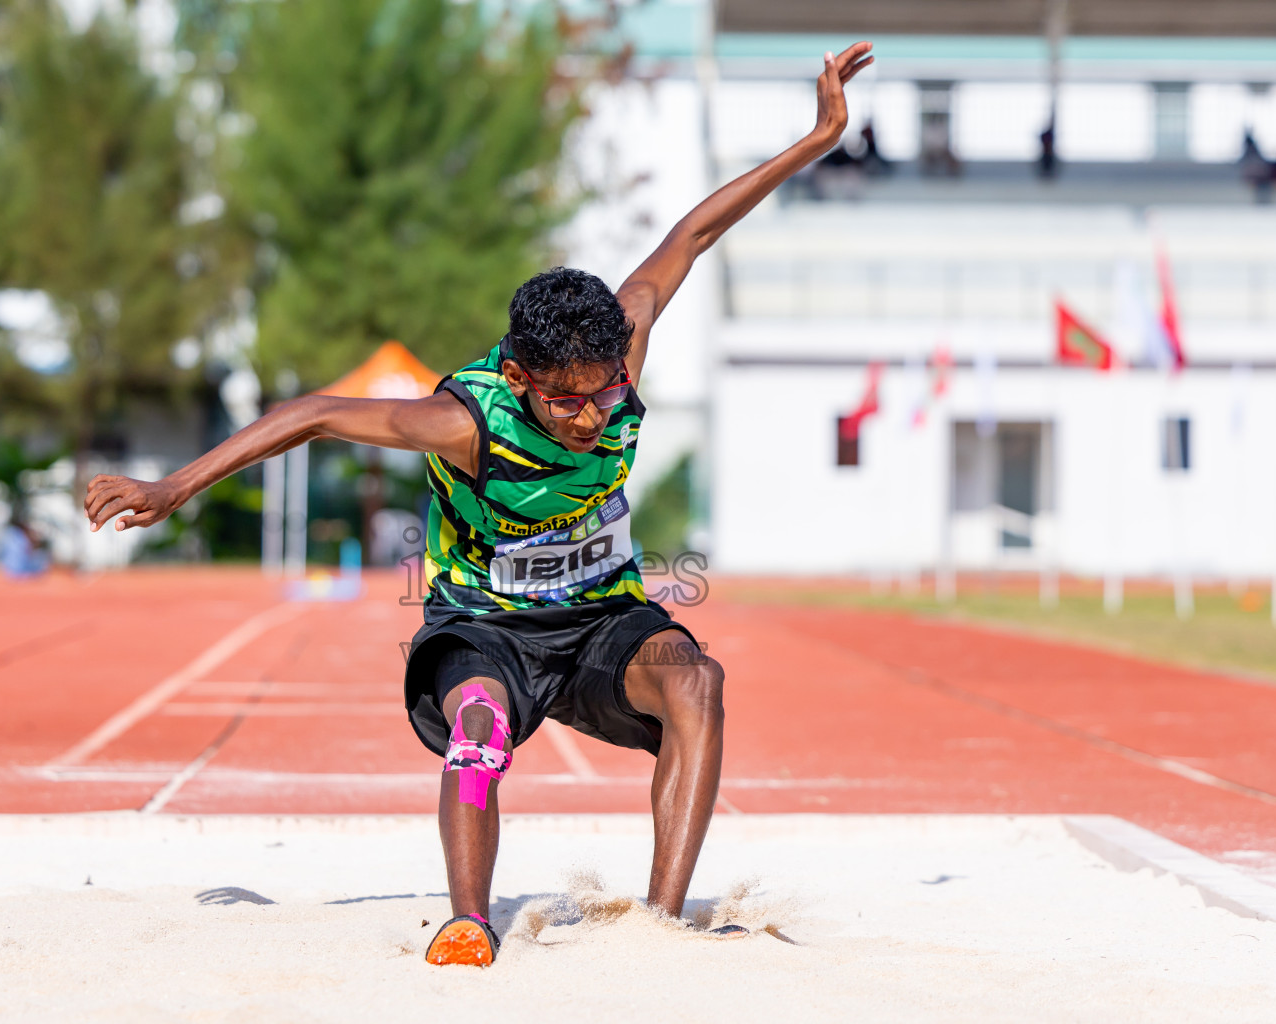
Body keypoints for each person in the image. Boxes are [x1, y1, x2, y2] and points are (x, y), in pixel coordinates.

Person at [83, 42, 874, 967]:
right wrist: (174, 486)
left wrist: (817, 137)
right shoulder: (463, 422)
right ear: (519, 377)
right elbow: (317, 414)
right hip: (482, 626)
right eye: (566, 400)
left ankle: (662, 922)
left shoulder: (621, 346)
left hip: (599, 620)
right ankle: (469, 920)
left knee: (698, 678)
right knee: (479, 728)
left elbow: (693, 234)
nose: (590, 416)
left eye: (605, 392)